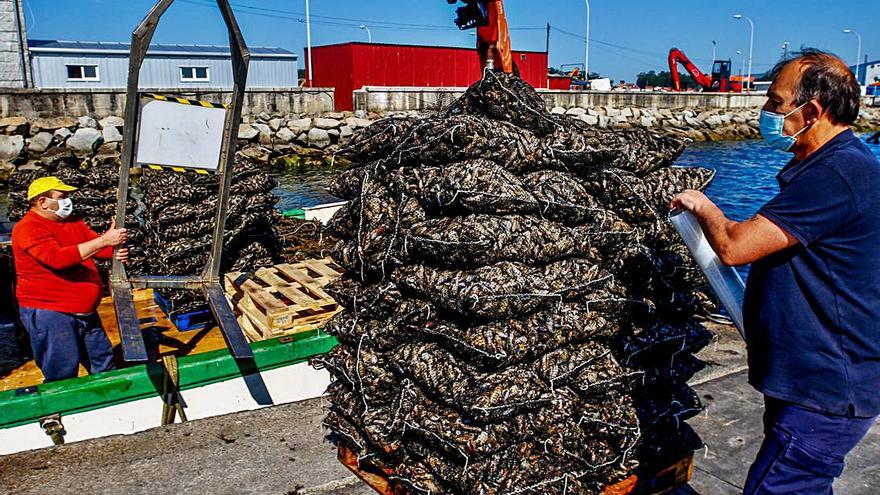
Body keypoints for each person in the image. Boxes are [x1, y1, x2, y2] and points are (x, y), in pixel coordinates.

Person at [671, 49, 880, 493]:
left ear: (812, 110)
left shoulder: (837, 174)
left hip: (825, 392)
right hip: (810, 381)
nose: (764, 112)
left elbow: (734, 247)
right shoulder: (832, 164)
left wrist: (702, 204)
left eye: (774, 101)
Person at [11, 176, 129, 383]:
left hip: (84, 311)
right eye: (61, 196)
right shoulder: (27, 228)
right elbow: (57, 259)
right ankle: (59, 412)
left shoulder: (72, 222)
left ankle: (109, 402)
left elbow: (96, 246)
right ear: (42, 202)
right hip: (51, 312)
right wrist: (103, 240)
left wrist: (113, 250)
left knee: (103, 362)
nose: (68, 201)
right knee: (61, 371)